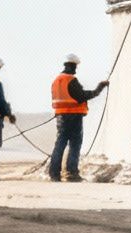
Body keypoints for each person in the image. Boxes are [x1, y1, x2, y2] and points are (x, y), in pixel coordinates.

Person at [47, 54, 109, 182]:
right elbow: (81, 96)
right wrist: (99, 89)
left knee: (60, 144)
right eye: (75, 66)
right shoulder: (70, 80)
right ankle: (71, 173)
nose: (75, 70)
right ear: (72, 66)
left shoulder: (56, 80)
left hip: (61, 116)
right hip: (73, 116)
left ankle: (54, 173)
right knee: (75, 144)